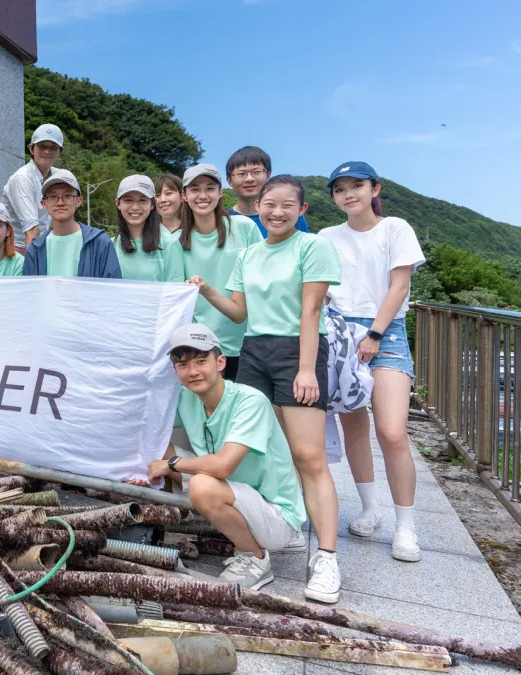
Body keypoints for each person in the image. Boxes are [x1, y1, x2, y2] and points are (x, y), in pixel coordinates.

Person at [190, 174, 345, 604]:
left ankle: (327, 557)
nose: (276, 212)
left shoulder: (312, 247)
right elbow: (239, 313)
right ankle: (263, 550)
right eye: (268, 204)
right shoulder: (249, 253)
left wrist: (307, 370)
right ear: (257, 206)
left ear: (302, 210)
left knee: (309, 457)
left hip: (298, 349)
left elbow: (311, 310)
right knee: (263, 452)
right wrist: (205, 290)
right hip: (254, 350)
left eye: (286, 205)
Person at [319, 161, 426, 563]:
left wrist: (376, 335)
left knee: (393, 431)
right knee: (353, 425)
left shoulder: (395, 228)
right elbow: (322, 286)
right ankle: (369, 509)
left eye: (357, 186)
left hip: (387, 332)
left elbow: (399, 285)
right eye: (340, 189)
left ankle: (406, 526)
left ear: (374, 189)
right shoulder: (328, 236)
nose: (349, 194)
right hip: (342, 330)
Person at [148, 324, 306, 590]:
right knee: (158, 445)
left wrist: (172, 465)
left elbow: (223, 465)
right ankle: (183, 515)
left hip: (276, 516)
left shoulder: (250, 401)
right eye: (183, 364)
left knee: (202, 485)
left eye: (201, 361)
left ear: (220, 362)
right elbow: (149, 425)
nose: (193, 371)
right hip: (237, 493)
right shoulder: (188, 397)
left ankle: (254, 558)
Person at [177, 164, 262, 380]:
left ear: (220, 192)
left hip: (247, 343)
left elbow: (262, 280)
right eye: (195, 189)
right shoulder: (174, 241)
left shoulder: (244, 227)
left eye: (210, 188)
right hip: (200, 346)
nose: (203, 195)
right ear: (184, 195)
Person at [21, 172, 121, 278]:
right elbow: (29, 291)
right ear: (44, 203)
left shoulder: (99, 243)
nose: (60, 202)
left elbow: (113, 289)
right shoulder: (35, 249)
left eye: (67, 195)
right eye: (53, 196)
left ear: (79, 201)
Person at [1, 124, 65, 253]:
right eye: (42, 146)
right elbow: (32, 231)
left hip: (42, 245)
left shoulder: (59, 176)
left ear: (60, 152)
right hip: (15, 250)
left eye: (53, 147)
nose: (47, 151)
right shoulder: (23, 178)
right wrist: (35, 270)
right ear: (31, 148)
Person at [111, 174, 186, 282]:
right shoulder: (110, 245)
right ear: (118, 204)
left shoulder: (169, 243)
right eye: (128, 200)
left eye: (142, 200)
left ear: (152, 205)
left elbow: (175, 293)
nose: (135, 207)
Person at [226, 146, 310, 237]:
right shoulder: (224, 220)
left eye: (256, 172)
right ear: (229, 180)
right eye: (241, 173)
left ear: (268, 174)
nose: (249, 179)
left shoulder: (291, 217)